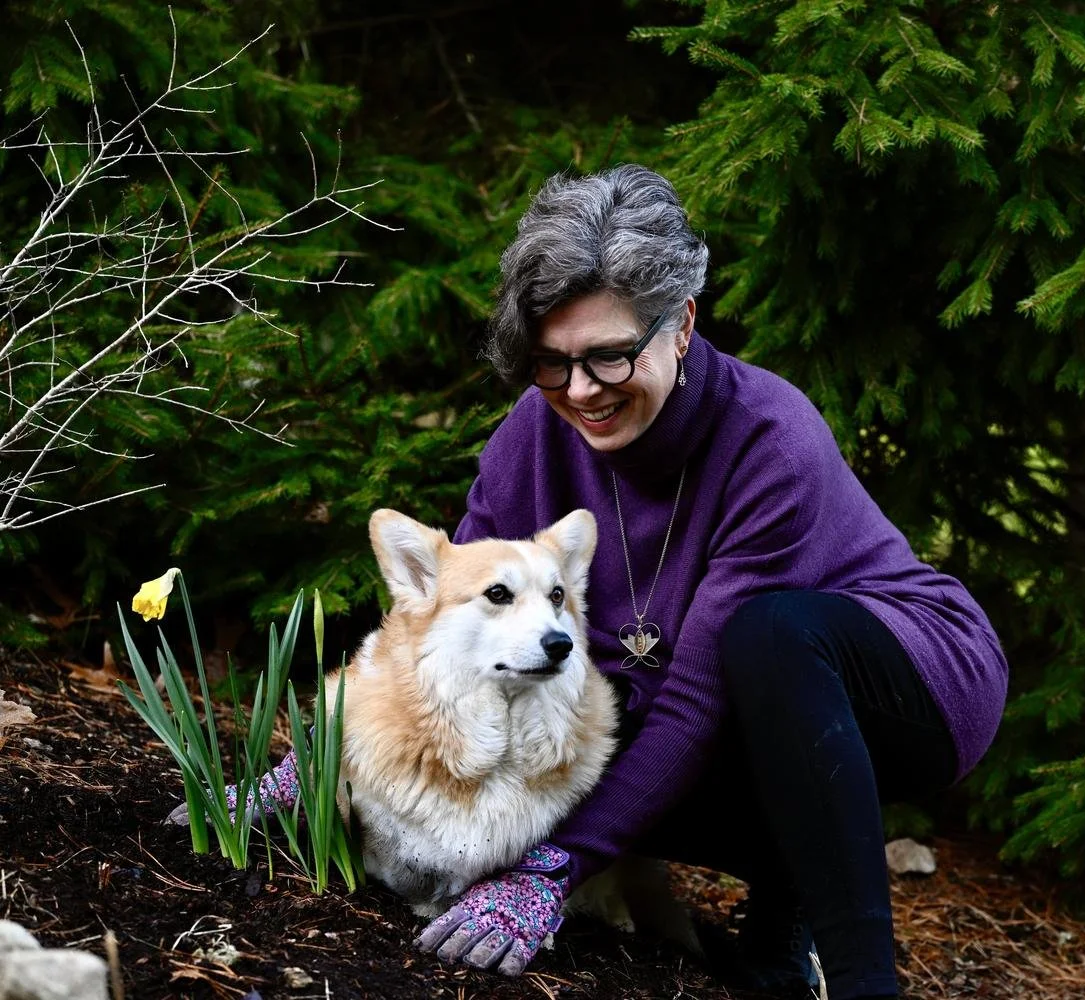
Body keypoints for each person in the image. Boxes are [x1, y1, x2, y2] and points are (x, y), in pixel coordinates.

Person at [201, 164, 1007, 1000]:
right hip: (744, 703)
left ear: (682, 324)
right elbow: (455, 626)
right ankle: (771, 954)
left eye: (610, 357)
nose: (581, 392)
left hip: (913, 679)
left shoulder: (770, 439)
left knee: (763, 643)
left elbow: (703, 698)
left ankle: (856, 979)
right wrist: (338, 760)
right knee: (598, 715)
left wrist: (549, 871)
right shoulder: (531, 439)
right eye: (554, 364)